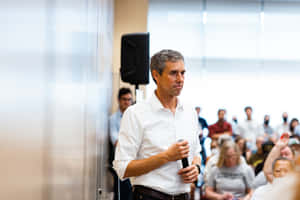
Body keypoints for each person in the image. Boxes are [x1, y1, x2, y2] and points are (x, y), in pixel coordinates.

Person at [113, 49, 202, 200]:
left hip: (183, 196)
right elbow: (123, 168)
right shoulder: (136, 113)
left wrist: (196, 168)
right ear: (156, 75)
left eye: (183, 73)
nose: (180, 79)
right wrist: (166, 156)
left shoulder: (190, 112)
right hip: (149, 196)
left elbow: (196, 153)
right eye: (173, 73)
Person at [109, 87, 133, 200]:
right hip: (120, 160)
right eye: (124, 99)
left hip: (133, 159)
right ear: (119, 100)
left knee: (129, 191)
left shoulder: (133, 118)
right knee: (122, 192)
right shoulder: (113, 119)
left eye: (129, 100)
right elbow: (116, 142)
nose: (127, 102)